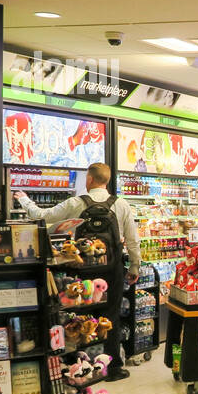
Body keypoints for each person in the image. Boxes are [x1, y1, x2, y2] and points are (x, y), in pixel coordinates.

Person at [14, 162, 140, 381]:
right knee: (111, 316)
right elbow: (133, 240)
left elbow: (42, 215)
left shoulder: (76, 202)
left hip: (84, 270)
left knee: (80, 316)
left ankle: (81, 365)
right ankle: (112, 367)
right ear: (107, 181)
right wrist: (135, 266)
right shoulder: (121, 205)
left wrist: (23, 198)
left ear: (89, 179)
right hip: (113, 269)